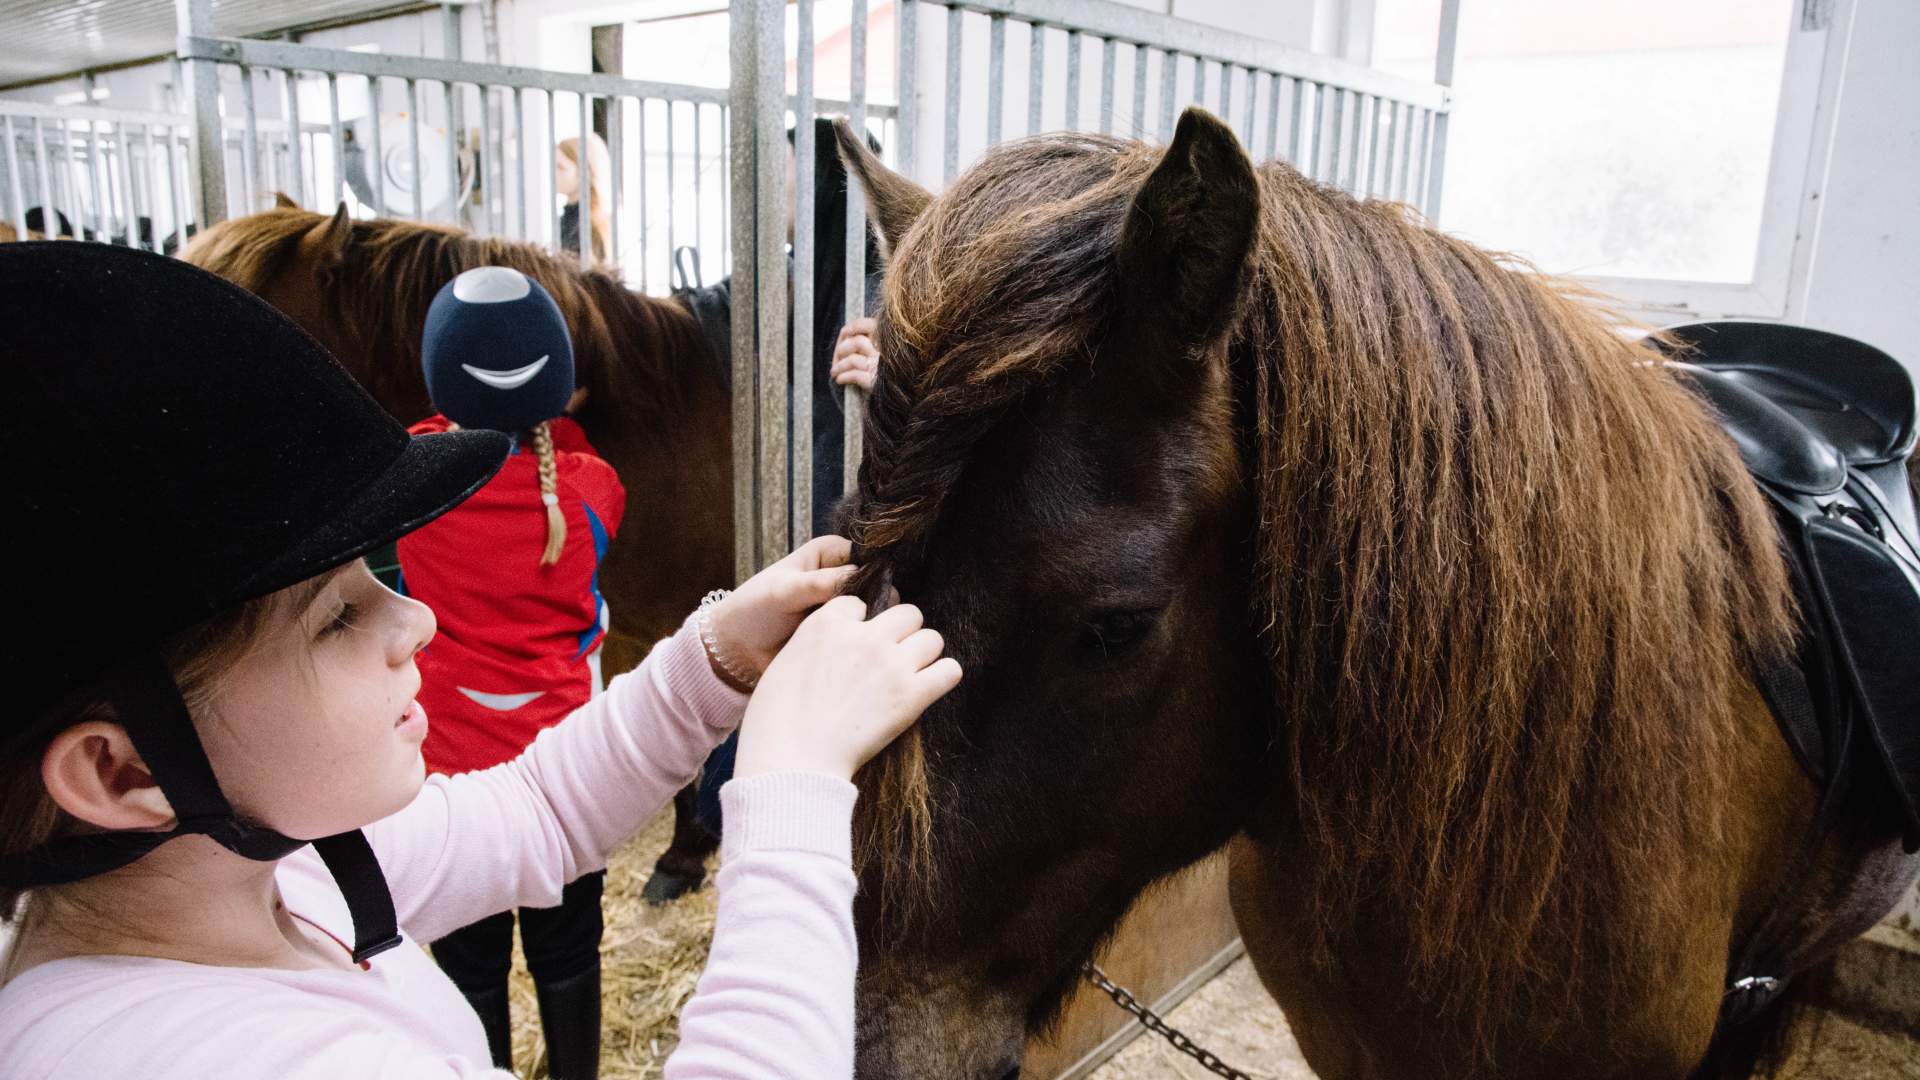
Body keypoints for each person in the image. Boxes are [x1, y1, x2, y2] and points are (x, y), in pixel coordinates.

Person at [0, 241, 961, 1079]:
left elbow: (535, 812)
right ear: (120, 770)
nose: (414, 622)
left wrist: (713, 658)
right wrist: (791, 783)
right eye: (335, 617)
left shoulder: (256, 874)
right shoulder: (210, 1060)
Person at [395, 266, 622, 1076]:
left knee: (470, 969)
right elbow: (575, 472)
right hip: (565, 778)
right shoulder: (595, 492)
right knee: (569, 954)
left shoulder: (406, 491)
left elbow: (422, 441)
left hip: (453, 786)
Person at [556, 133, 614, 266]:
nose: (553, 173)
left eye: (560, 167)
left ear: (585, 172)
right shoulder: (569, 218)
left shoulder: (588, 225)